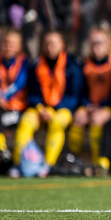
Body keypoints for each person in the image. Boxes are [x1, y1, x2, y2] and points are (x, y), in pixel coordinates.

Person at [11, 31, 82, 178]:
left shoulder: (72, 65)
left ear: (62, 45)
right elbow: (31, 93)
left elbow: (75, 95)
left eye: (53, 43)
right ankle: (18, 164)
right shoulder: (36, 64)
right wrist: (40, 108)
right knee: (25, 122)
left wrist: (55, 109)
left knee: (57, 123)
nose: (50, 47)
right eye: (47, 43)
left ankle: (47, 165)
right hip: (39, 109)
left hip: (63, 109)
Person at [69, 29, 111, 175]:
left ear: (108, 44)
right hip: (89, 105)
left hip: (110, 106)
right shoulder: (84, 64)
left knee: (96, 120)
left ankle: (98, 164)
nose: (95, 47)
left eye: (99, 43)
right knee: (78, 119)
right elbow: (80, 89)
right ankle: (72, 161)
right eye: (92, 43)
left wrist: (103, 105)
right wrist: (87, 105)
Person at [0, 30, 29, 177]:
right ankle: (1, 154)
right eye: (6, 43)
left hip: (17, 110)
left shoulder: (24, 62)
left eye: (12, 44)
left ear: (19, 46)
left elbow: (19, 84)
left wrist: (2, 97)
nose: (8, 46)